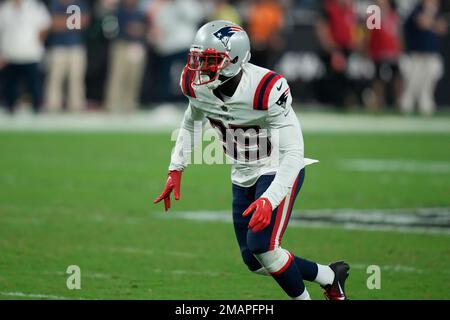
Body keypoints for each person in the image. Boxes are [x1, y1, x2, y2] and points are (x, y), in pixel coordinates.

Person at [153, 20, 350, 300]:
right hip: (242, 171)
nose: (199, 68)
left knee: (264, 247)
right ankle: (330, 276)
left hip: (277, 167)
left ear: (234, 59)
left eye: (210, 60)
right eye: (197, 59)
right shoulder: (196, 84)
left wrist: (270, 199)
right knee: (255, 262)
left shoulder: (266, 87)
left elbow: (293, 153)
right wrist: (176, 168)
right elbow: (191, 122)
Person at [146, 0, 204, 104]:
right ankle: (166, 102)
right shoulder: (164, 6)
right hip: (168, 48)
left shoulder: (187, 3)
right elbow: (162, 25)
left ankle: (190, 102)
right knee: (166, 78)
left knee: (189, 77)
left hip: (185, 45)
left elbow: (196, 16)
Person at [0, 0, 51, 113]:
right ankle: (10, 109)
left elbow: (45, 25)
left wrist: (36, 42)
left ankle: (37, 110)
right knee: (9, 86)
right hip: (10, 55)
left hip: (30, 54)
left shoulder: (35, 6)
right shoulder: (5, 8)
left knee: (34, 86)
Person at [401, 0, 447, 116]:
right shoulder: (415, 10)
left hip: (431, 55)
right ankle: (407, 107)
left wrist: (433, 22)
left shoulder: (436, 12)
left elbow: (442, 28)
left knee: (428, 85)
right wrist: (433, 23)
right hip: (416, 56)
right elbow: (422, 23)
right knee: (412, 84)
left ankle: (426, 108)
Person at [45, 0, 90, 113]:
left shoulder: (80, 3)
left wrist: (63, 22)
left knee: (76, 78)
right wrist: (72, 22)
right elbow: (52, 24)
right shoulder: (54, 4)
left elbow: (84, 22)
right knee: (55, 78)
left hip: (76, 47)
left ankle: (76, 106)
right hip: (58, 47)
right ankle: (53, 106)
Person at [105, 0, 147, 112]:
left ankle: (129, 105)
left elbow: (144, 29)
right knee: (118, 76)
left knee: (133, 78)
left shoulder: (140, 12)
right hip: (122, 45)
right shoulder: (118, 11)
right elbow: (116, 29)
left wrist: (136, 29)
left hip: (136, 46)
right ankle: (112, 105)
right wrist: (133, 29)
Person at [315, 0, 358, 108]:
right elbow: (322, 30)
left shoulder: (349, 11)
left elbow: (352, 30)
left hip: (346, 50)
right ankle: (331, 103)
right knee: (334, 77)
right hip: (332, 50)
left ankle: (343, 103)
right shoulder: (328, 10)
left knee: (344, 78)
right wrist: (334, 51)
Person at [367, 0, 402, 111]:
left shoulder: (393, 16)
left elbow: (397, 36)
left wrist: (398, 50)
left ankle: (398, 101)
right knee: (378, 78)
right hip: (379, 53)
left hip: (392, 53)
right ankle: (379, 101)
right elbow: (370, 35)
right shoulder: (374, 17)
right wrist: (369, 50)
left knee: (397, 77)